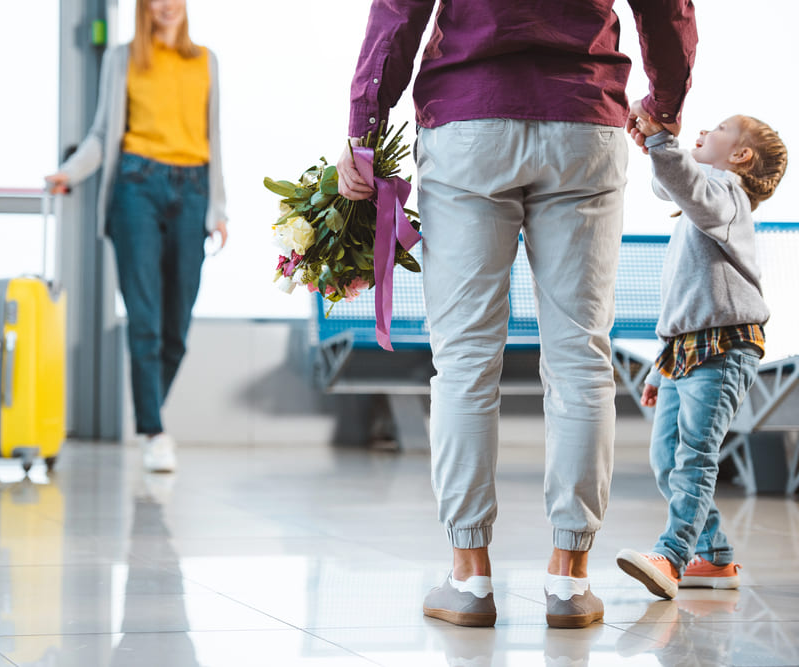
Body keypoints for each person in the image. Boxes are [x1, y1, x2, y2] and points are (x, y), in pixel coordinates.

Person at [336, 1, 697, 628]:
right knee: (582, 357)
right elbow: (668, 8)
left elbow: (399, 10)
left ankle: (470, 579)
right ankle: (569, 581)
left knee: (466, 360)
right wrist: (664, 102)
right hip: (584, 120)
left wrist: (363, 128)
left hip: (469, 119)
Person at [46, 0, 227, 473]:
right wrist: (68, 173)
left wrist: (219, 207)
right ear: (144, 6)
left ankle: (148, 409)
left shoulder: (206, 60)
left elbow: (215, 140)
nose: (167, 6)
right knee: (144, 318)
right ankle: (154, 430)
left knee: (177, 327)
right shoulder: (123, 58)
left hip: (193, 190)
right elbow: (104, 133)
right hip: (136, 188)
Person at [616, 109, 788, 599]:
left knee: (694, 454)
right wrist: (658, 365)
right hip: (684, 348)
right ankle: (714, 558)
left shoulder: (728, 197)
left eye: (717, 130)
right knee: (665, 457)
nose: (703, 132)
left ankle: (672, 557)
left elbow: (686, 184)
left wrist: (663, 145)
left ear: (740, 156)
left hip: (725, 346)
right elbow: (671, 187)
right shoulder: (705, 202)